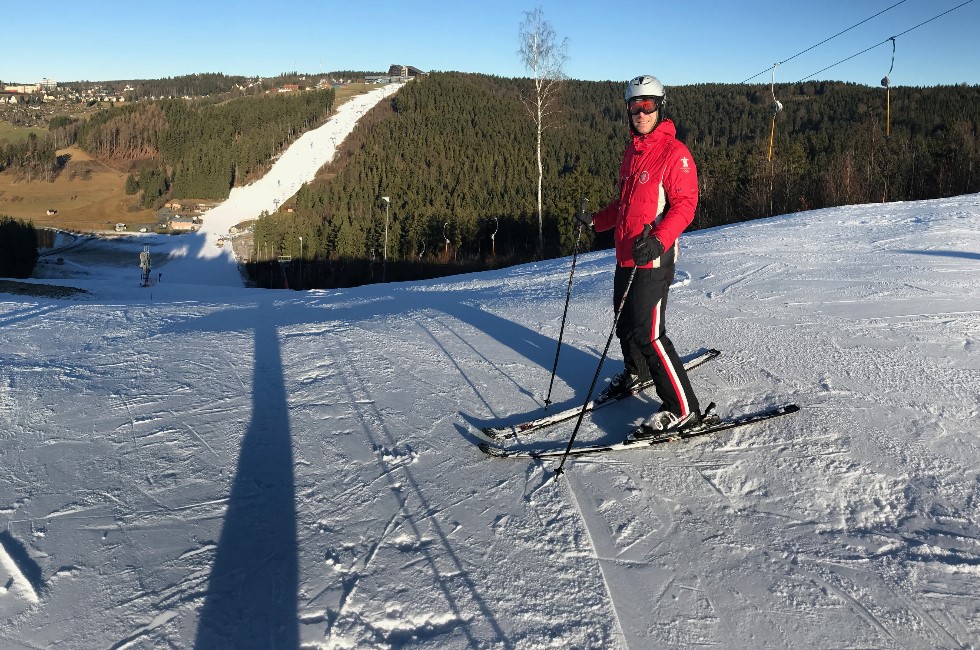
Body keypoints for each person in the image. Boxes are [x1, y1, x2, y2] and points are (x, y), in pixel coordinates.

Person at [577, 74, 706, 437]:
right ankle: (637, 371)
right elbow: (624, 205)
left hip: (653, 257)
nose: (642, 112)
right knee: (625, 322)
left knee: (650, 334)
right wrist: (594, 222)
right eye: (635, 106)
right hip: (626, 254)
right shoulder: (633, 152)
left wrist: (660, 240)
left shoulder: (674, 153)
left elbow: (685, 205)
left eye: (648, 105)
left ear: (659, 107)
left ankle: (684, 409)